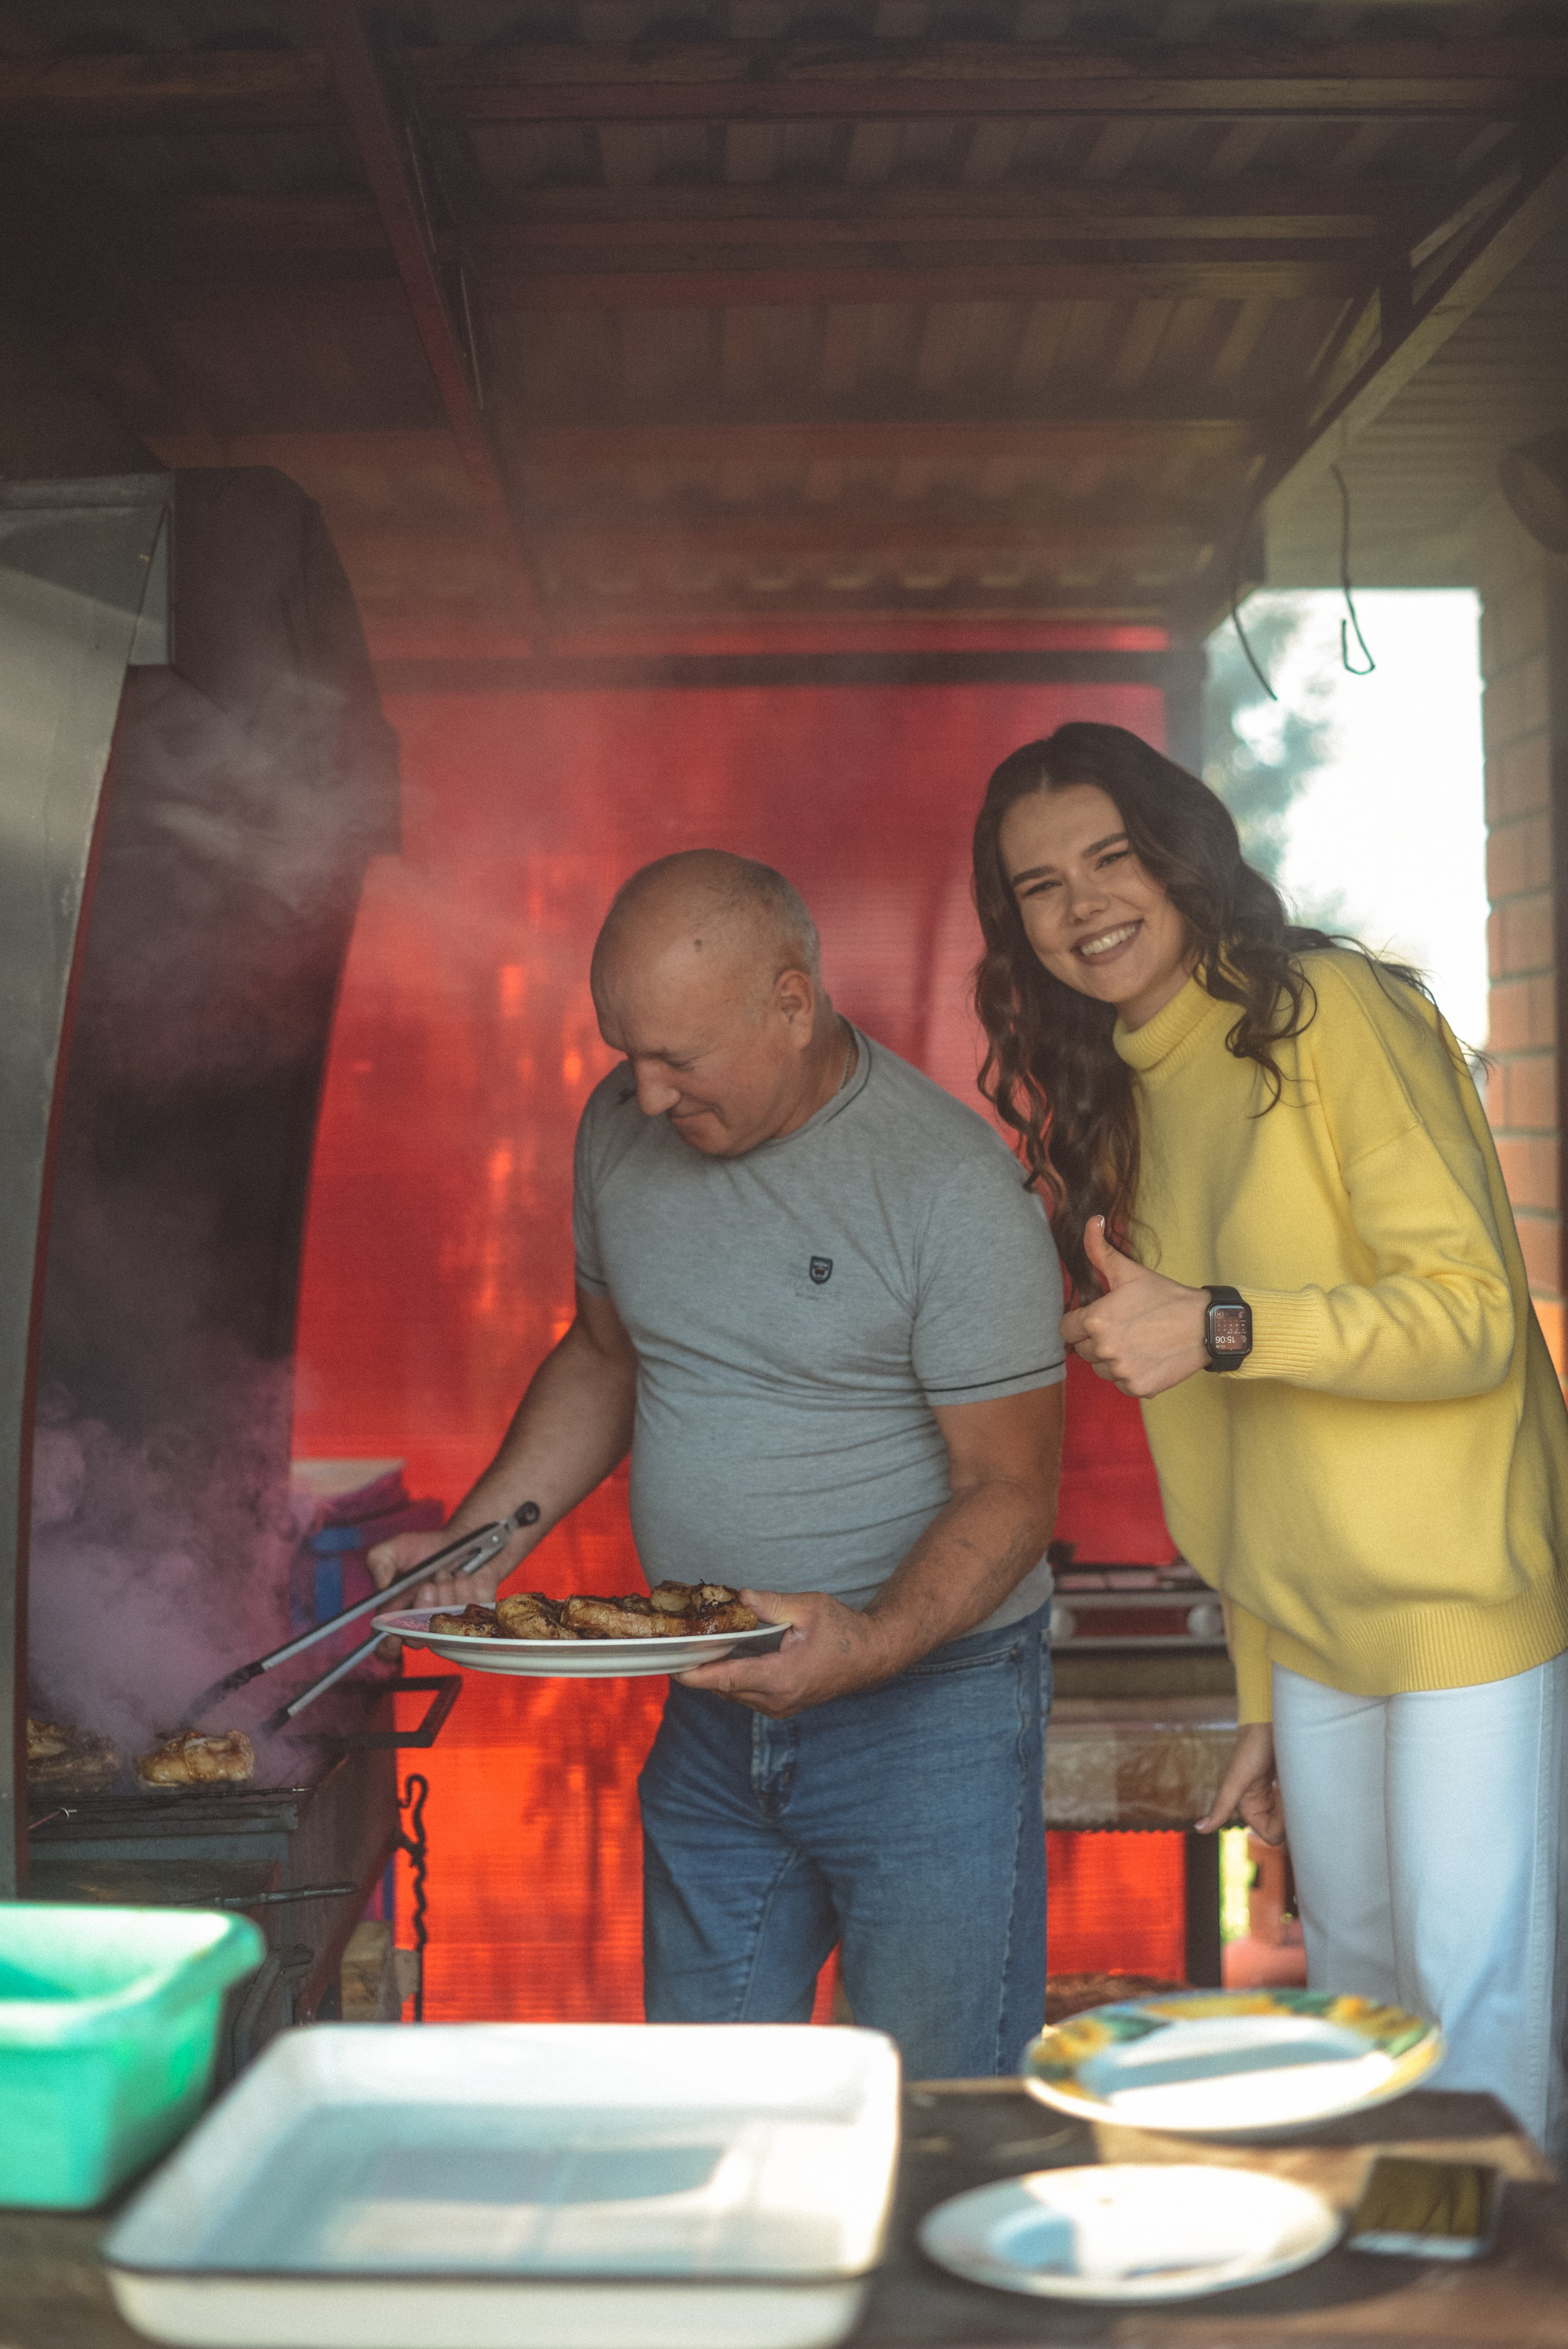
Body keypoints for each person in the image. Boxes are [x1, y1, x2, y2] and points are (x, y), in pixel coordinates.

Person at [970, 720, 1568, 2157]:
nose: (1081, 903)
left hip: (1461, 1610)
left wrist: (1222, 1324)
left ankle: (1490, 2278)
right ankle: (1390, 2269)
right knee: (1360, 2027)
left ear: (1178, 854)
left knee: (1474, 2037)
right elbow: (1228, 1454)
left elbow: (1471, 1322)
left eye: (1110, 857)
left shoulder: (1326, 1011)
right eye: (1038, 885)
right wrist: (1258, 1692)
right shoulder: (1122, 1090)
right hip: (1310, 1641)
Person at [371, 848, 1066, 2076]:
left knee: (934, 2106)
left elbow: (1009, 1490)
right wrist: (479, 1543)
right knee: (705, 2096)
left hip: (930, 1715)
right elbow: (605, 1357)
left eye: (677, 1060)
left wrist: (868, 1643)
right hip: (706, 1700)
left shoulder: (950, 1185)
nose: (642, 1096)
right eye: (624, 1053)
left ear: (791, 1004)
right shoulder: (619, 1127)